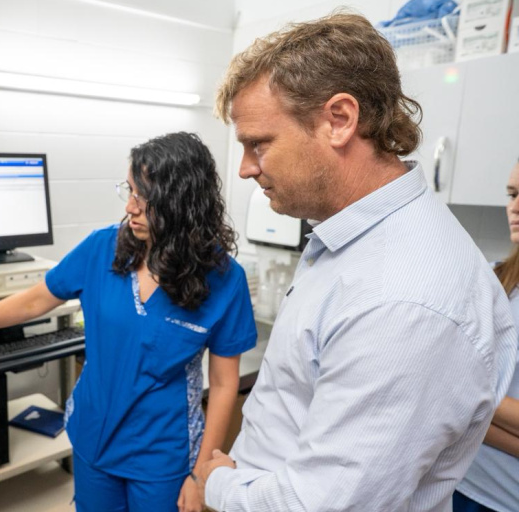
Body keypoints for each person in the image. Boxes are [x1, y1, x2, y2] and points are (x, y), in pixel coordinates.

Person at [198, 12, 518, 512]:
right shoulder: (352, 239)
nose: (245, 169)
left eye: (259, 143)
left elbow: (322, 505)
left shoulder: (406, 296)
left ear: (339, 120)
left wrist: (215, 481)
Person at [0, 132, 257, 512]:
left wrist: (201, 474)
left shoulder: (224, 279)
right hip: (94, 437)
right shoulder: (103, 247)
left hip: (163, 455)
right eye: (129, 190)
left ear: (182, 204)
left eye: (145, 198)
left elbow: (223, 385)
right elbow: (36, 300)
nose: (130, 207)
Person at [453, 160, 519, 512]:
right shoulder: (493, 280)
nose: (515, 207)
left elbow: (454, 393)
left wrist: (471, 405)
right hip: (458, 482)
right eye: (512, 194)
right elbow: (442, 387)